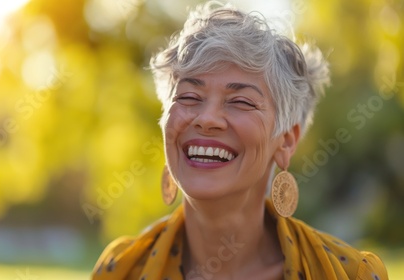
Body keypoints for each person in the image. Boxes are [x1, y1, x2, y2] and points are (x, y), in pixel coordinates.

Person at [92, 2, 388, 279]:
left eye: (241, 102)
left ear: (285, 141)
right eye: (189, 96)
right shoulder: (120, 269)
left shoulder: (348, 273)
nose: (207, 119)